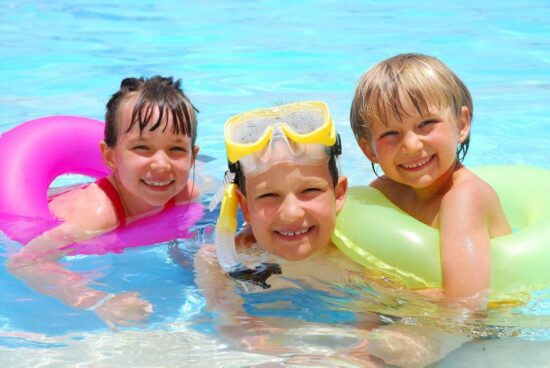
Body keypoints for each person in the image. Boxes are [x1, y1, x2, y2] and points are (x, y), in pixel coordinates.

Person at [190, 101, 465, 367]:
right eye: (269, 196)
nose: (291, 213)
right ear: (245, 207)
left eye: (309, 191)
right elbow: (228, 322)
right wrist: (267, 353)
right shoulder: (226, 261)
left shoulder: (359, 262)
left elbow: (372, 341)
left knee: (402, 351)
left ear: (339, 194)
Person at [7, 76, 200, 329]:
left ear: (193, 156)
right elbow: (25, 262)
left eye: (176, 150)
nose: (162, 164)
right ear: (110, 157)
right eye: (142, 147)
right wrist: (100, 302)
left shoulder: (187, 194)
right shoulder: (97, 216)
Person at [349, 53, 511, 309]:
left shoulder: (463, 198)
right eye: (390, 133)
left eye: (426, 124)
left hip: (486, 332)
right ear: (368, 150)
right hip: (418, 313)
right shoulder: (385, 193)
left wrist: (390, 292)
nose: (411, 145)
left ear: (461, 124)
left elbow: (466, 304)